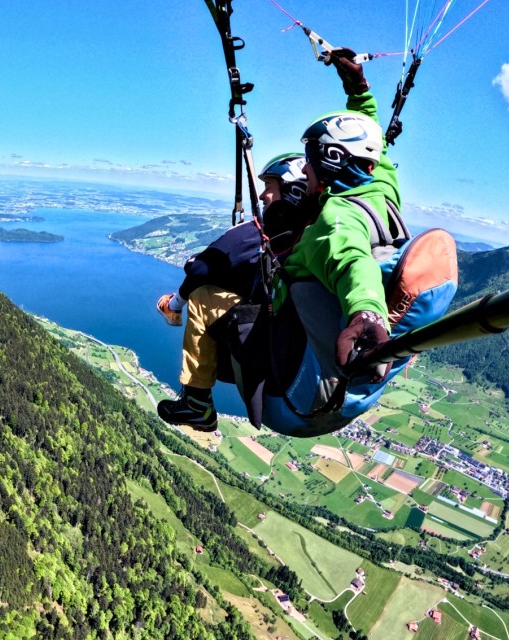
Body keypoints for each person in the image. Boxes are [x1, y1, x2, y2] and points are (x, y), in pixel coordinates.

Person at [156, 46, 400, 436]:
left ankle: (197, 403)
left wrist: (366, 313)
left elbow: (352, 261)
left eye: (310, 161)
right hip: (317, 348)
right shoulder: (380, 190)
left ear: (330, 162)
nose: (306, 168)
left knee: (203, 300)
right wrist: (358, 87)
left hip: (288, 356)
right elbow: (371, 137)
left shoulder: (333, 222)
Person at [154, 153, 312, 431]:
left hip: (270, 337)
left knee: (203, 297)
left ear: (293, 190)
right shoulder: (312, 232)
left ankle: (197, 402)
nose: (263, 196)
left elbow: (201, 268)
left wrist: (176, 304)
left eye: (270, 187)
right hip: (292, 340)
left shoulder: (264, 232)